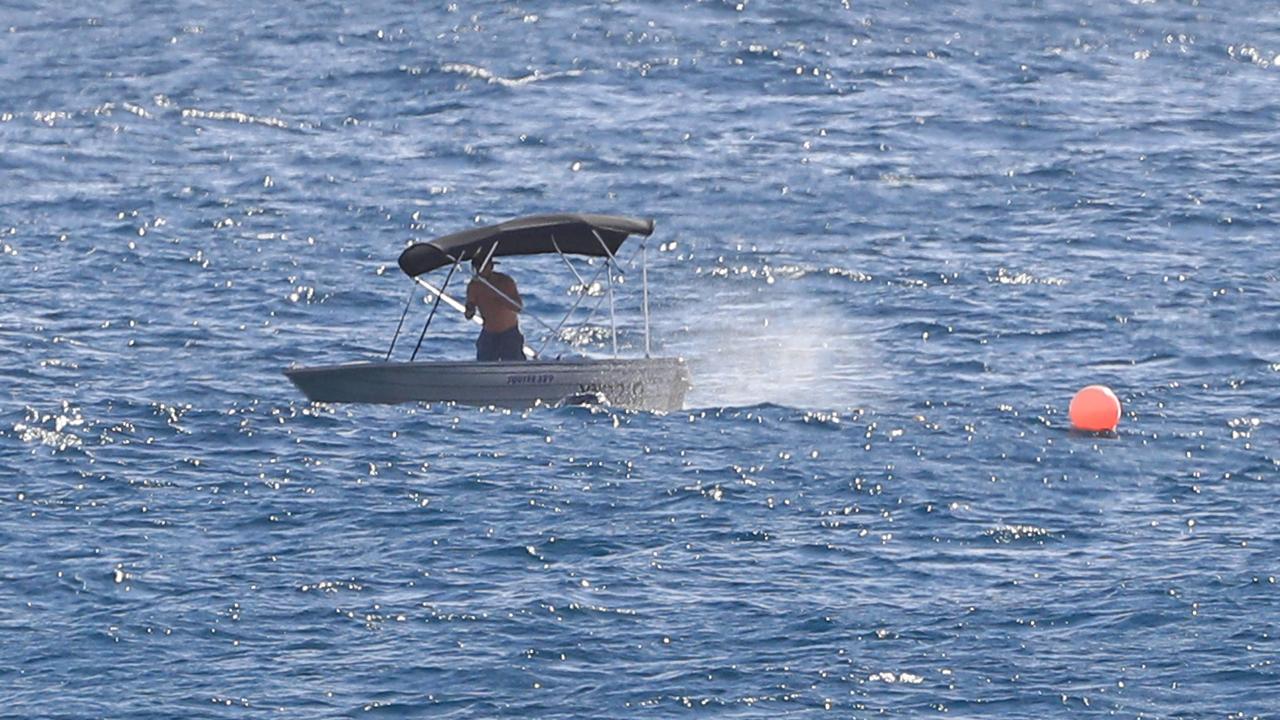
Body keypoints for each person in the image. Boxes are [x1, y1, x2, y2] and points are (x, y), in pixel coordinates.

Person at [465, 255, 525, 361]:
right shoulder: (474, 286)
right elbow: (469, 311)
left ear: (491, 267)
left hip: (509, 333)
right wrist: (470, 309)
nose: (478, 270)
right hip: (489, 334)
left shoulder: (505, 281)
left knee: (513, 364)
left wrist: (499, 296)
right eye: (476, 267)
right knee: (483, 365)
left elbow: (518, 307)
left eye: (481, 267)